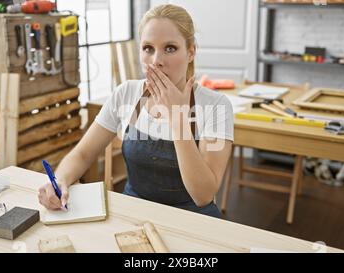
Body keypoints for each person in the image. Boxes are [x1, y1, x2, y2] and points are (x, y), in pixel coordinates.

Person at [38, 4, 233, 218]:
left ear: (191, 52)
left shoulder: (216, 106)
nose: (156, 61)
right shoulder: (126, 93)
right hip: (133, 215)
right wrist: (59, 181)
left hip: (193, 219)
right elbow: (83, 154)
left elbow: (203, 195)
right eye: (148, 48)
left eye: (170, 48)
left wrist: (178, 119)